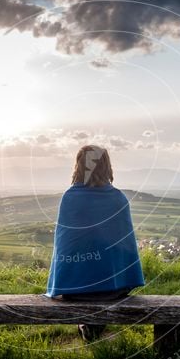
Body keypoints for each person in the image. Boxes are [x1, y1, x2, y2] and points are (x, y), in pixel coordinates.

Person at [45, 144, 145, 341]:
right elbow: (125, 248)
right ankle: (92, 326)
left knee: (90, 290)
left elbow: (65, 245)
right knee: (105, 290)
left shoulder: (70, 197)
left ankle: (89, 326)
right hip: (115, 289)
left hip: (74, 289)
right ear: (107, 166)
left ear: (79, 166)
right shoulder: (118, 199)